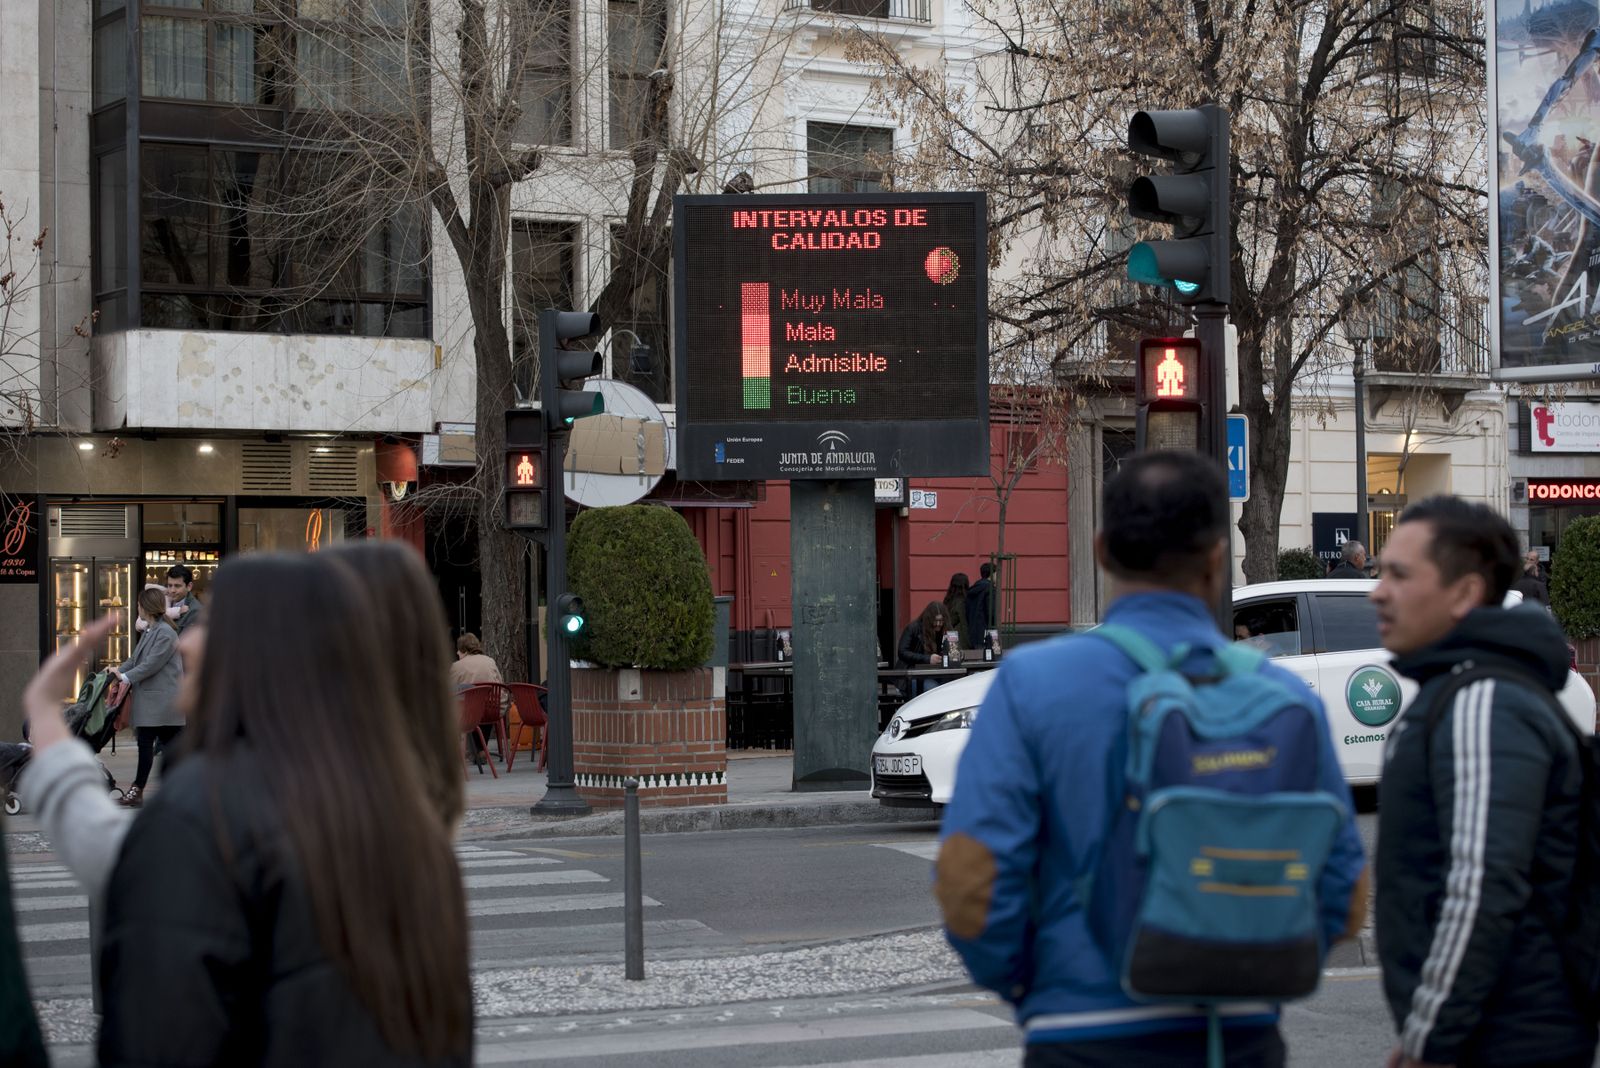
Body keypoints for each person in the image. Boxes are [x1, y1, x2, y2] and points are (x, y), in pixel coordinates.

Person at [934, 450, 1367, 1066]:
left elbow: (970, 881)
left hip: (1081, 1033)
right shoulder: (1283, 698)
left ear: (1102, 550)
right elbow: (1344, 891)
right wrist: (1251, 965)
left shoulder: (1033, 684)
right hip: (1239, 1039)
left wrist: (1037, 985)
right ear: (1219, 558)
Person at [82, 552, 469, 1066]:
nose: (192, 639)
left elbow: (158, 1036)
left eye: (220, 625)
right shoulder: (393, 808)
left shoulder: (205, 811)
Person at [1371, 497, 1596, 1068]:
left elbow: (1481, 883)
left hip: (1505, 1034)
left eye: (1398, 574)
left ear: (1466, 593)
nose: (1378, 592)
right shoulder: (1467, 687)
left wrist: (1429, 1034)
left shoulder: (1483, 698)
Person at [112, 586, 183, 809]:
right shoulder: (151, 630)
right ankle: (148, 790)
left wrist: (124, 677)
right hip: (155, 701)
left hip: (163, 701)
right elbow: (135, 660)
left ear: (147, 607)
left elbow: (152, 664)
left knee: (158, 746)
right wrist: (115, 672)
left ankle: (141, 790)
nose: (138, 608)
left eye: (140, 605)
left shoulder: (165, 633)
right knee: (163, 746)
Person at [163, 563, 203, 633]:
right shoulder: (163, 602)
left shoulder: (196, 611)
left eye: (177, 586)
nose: (172, 590)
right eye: (169, 585)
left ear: (189, 586)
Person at [965, 562, 995, 647]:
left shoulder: (975, 587)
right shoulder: (990, 589)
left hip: (972, 630)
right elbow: (991, 612)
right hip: (985, 631)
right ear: (992, 574)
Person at [943, 573, 970, 649]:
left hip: (948, 635)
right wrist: (969, 643)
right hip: (959, 639)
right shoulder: (962, 601)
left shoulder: (948, 600)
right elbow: (964, 623)